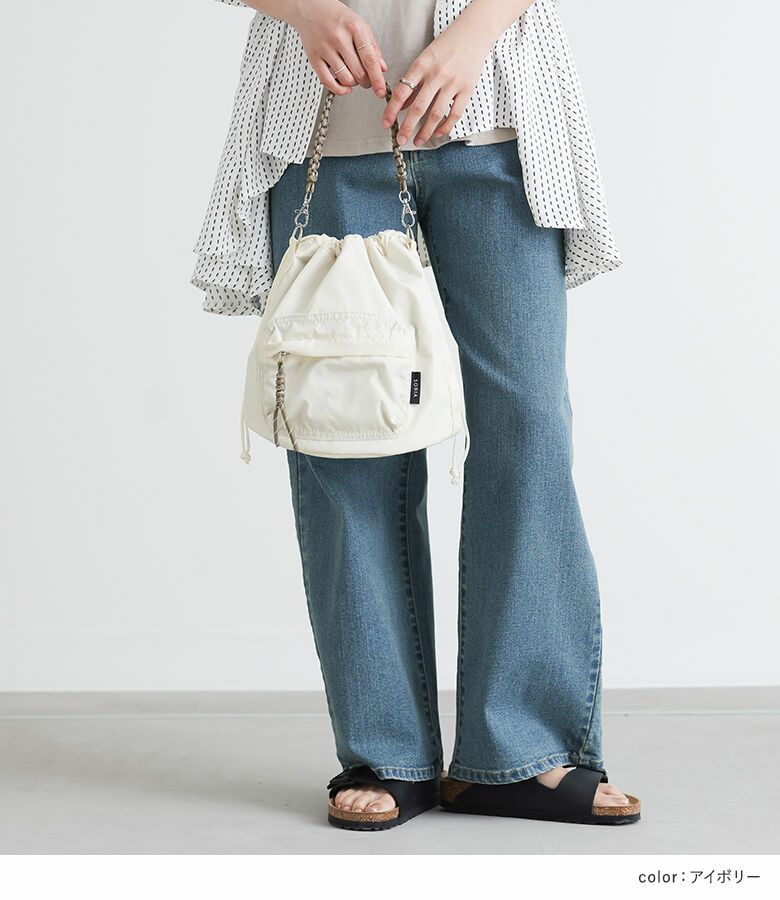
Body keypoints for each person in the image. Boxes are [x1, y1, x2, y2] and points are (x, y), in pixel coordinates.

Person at [192, 0, 641, 830]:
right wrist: (304, 10)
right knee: (348, 440)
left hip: (497, 118)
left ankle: (521, 752)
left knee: (528, 429)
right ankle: (386, 751)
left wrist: (475, 33)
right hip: (329, 135)